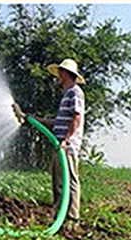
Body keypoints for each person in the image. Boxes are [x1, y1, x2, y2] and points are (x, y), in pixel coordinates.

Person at [13, 59, 86, 229]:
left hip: (66, 146)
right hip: (58, 144)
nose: (58, 77)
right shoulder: (67, 94)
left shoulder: (76, 92)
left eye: (60, 73)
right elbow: (58, 121)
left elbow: (76, 118)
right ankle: (59, 214)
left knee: (70, 181)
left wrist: (66, 140)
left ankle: (72, 219)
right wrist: (34, 119)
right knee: (58, 181)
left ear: (66, 74)